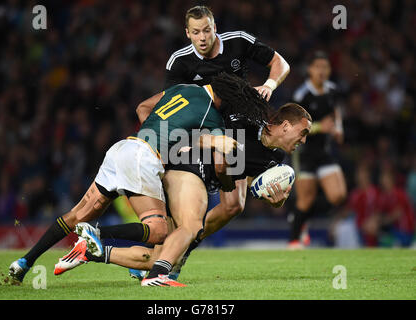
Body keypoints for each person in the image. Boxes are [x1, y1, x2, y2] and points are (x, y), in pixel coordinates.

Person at [8, 73, 265, 283]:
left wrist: (159, 139)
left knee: (75, 215)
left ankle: (24, 262)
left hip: (124, 147)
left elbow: (142, 107)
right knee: (159, 231)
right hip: (143, 158)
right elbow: (220, 166)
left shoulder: (183, 88)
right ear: (228, 97)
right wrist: (228, 183)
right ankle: (95, 235)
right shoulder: (214, 116)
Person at [55, 101, 312, 286]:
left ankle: (93, 250)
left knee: (159, 255)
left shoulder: (275, 159)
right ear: (286, 125)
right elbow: (218, 156)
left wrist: (274, 202)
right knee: (186, 231)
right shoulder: (242, 119)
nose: (303, 141)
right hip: (183, 166)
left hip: (198, 179)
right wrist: (225, 179)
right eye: (303, 133)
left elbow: (244, 179)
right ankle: (158, 266)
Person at [163, 4, 291, 259]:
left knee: (234, 206)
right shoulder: (179, 63)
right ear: (187, 33)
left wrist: (269, 84)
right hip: (203, 133)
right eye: (196, 32)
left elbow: (280, 62)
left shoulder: (238, 42)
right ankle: (166, 251)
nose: (202, 38)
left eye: (207, 31)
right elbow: (171, 106)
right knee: (183, 207)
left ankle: (184, 246)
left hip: (241, 126)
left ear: (215, 28)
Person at [287, 50, 347, 249]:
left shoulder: (332, 90)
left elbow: (335, 111)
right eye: (318, 67)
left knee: (338, 195)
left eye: (325, 67)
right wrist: (322, 127)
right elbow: (294, 127)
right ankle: (295, 239)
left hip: (324, 152)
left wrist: (338, 128)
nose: (322, 71)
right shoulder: (301, 95)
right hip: (304, 153)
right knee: (305, 198)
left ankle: (302, 218)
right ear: (310, 70)